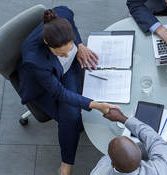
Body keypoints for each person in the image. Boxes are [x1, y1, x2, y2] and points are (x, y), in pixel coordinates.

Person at [17, 6, 115, 175]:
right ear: (47, 43)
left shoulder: (62, 15)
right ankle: (66, 165)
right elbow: (59, 93)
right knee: (72, 117)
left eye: (69, 49)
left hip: (68, 70)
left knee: (74, 113)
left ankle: (67, 158)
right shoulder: (34, 60)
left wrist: (80, 45)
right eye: (61, 53)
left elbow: (69, 18)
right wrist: (96, 105)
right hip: (43, 87)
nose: (67, 54)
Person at [91, 108, 167, 175]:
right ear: (141, 159)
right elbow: (156, 140)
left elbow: (112, 156)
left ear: (112, 164)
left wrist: (158, 149)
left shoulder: (100, 170)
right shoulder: (158, 171)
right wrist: (122, 118)